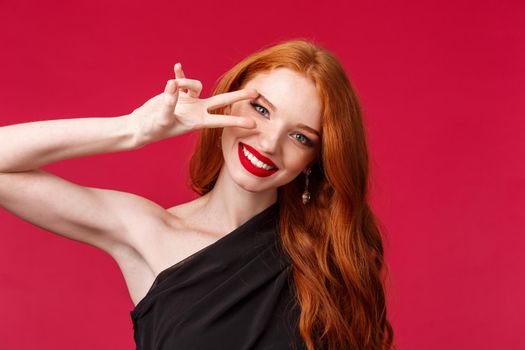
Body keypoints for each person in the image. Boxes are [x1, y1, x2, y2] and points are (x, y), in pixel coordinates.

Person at [0, 39, 394, 349]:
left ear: (315, 158)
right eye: (260, 110)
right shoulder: (148, 229)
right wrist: (135, 129)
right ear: (226, 99)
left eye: (299, 136)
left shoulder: (332, 257)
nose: (271, 142)